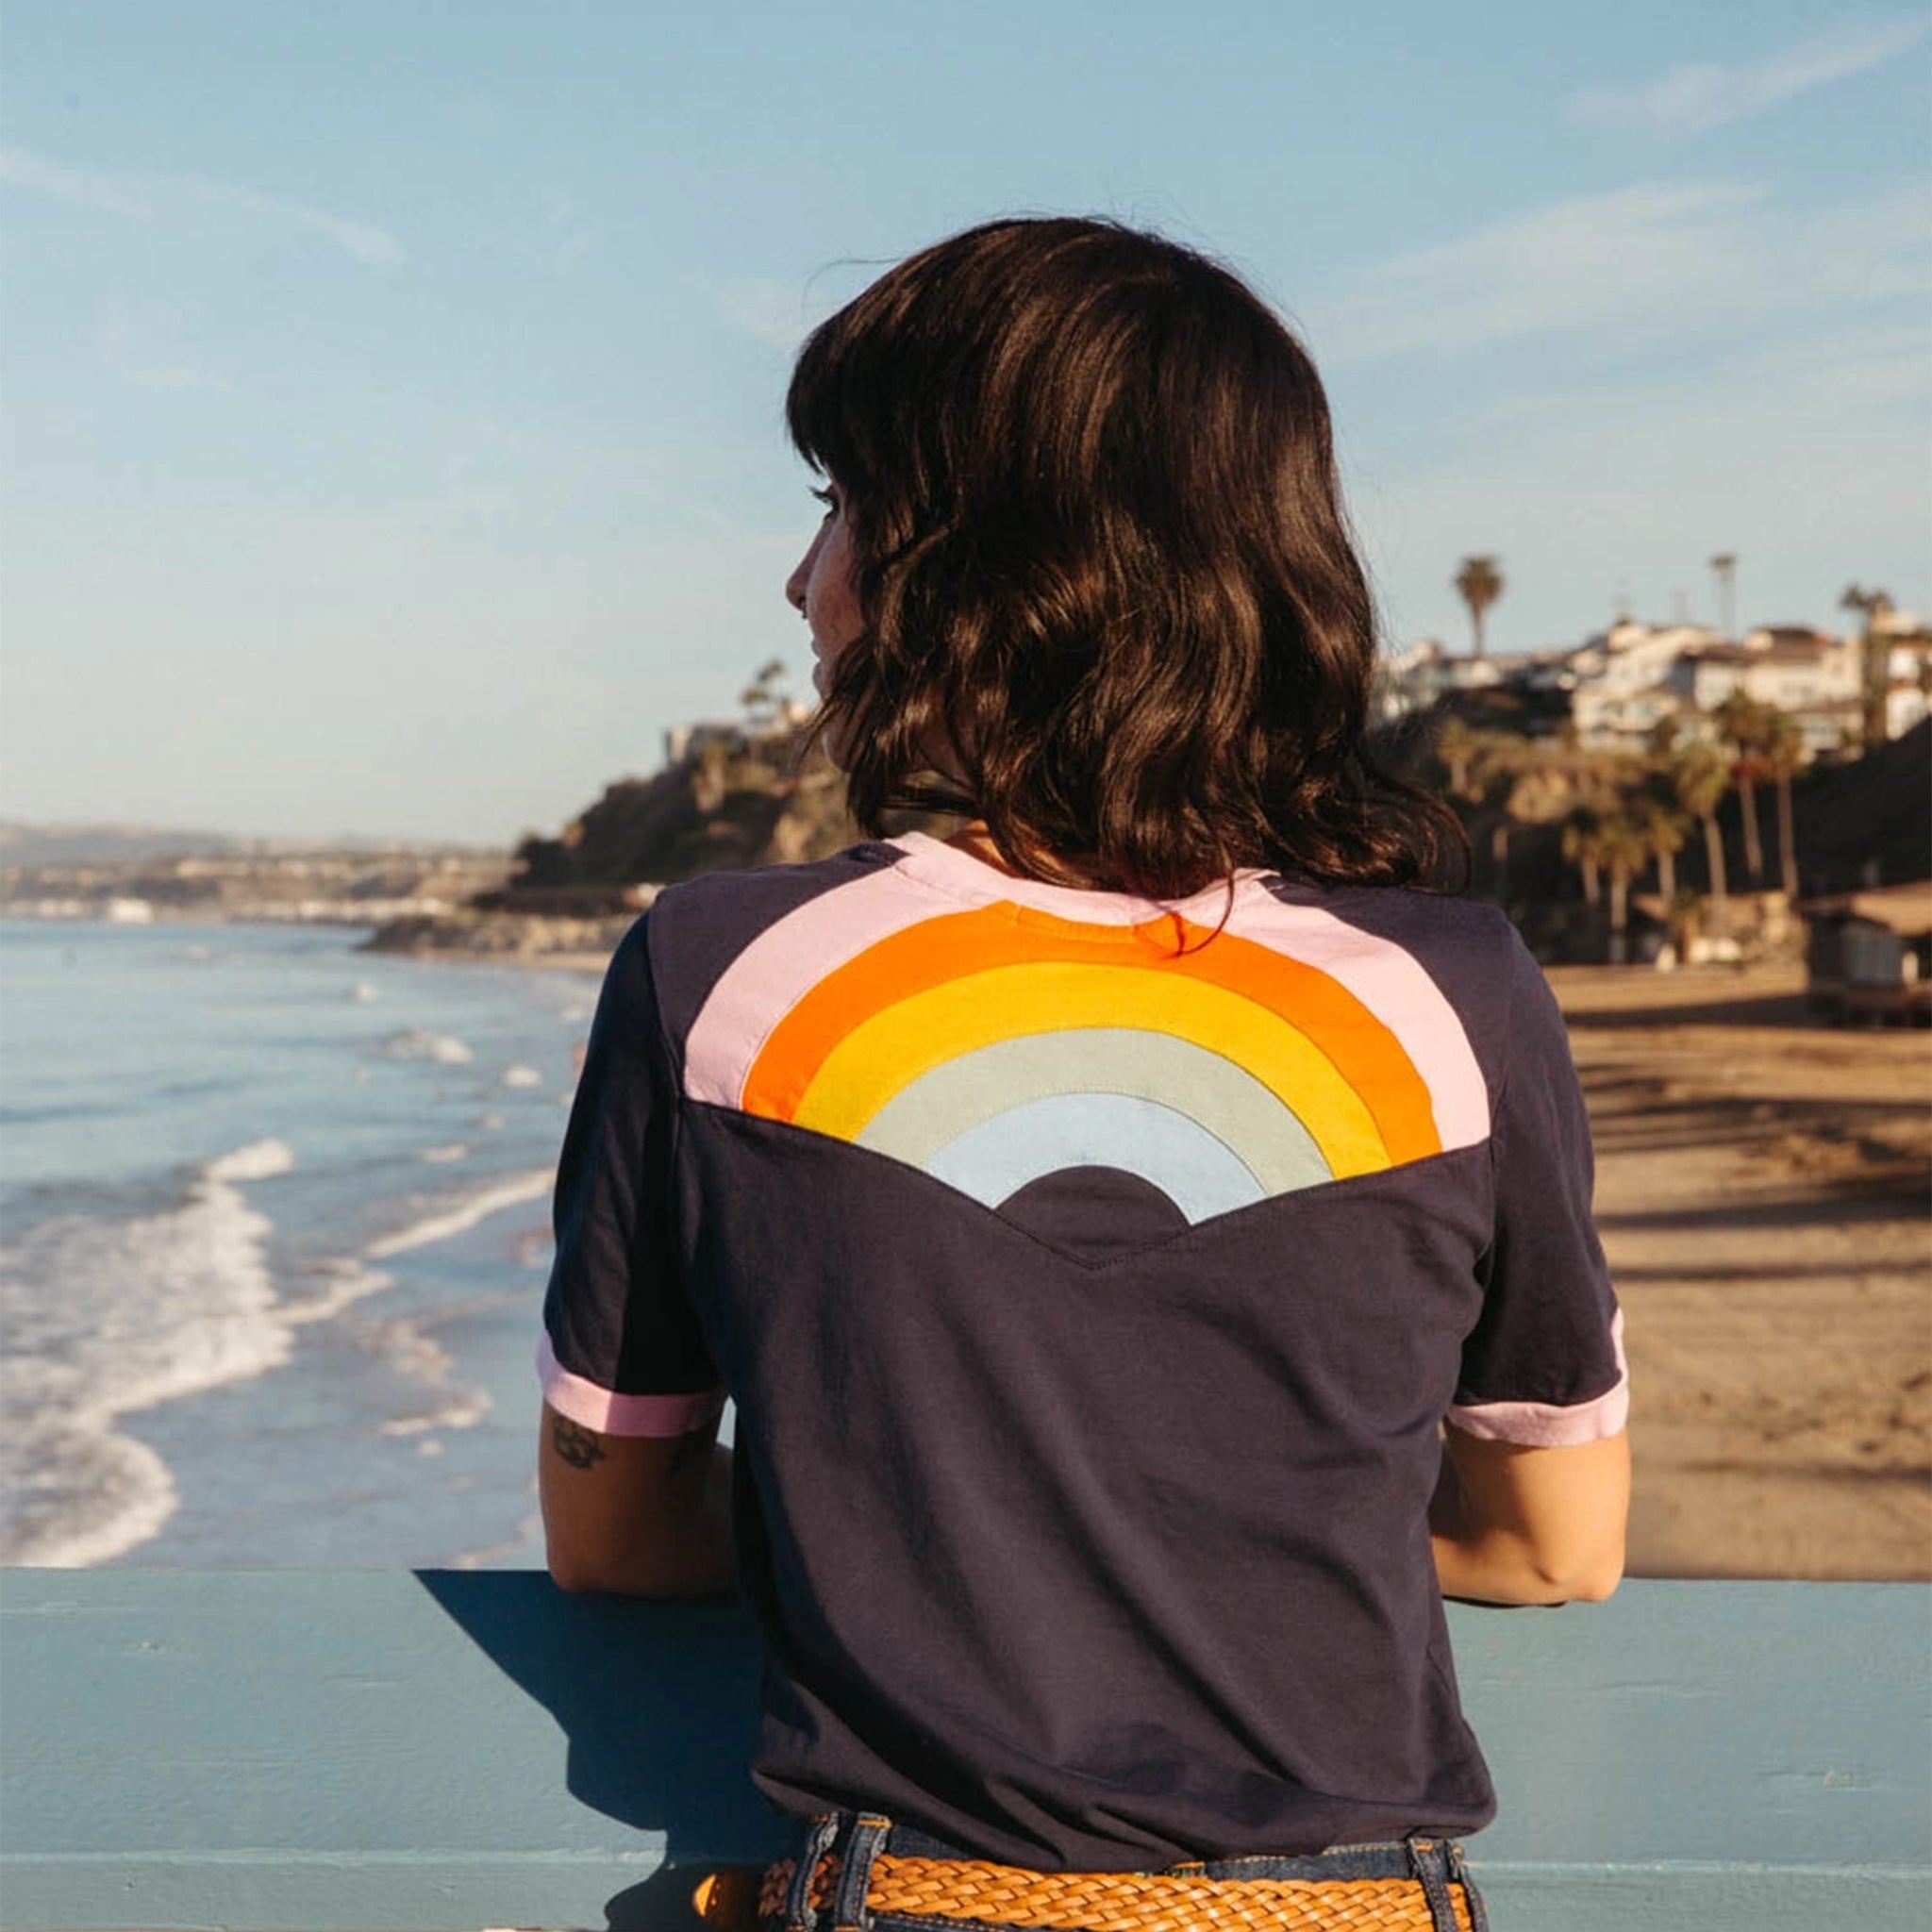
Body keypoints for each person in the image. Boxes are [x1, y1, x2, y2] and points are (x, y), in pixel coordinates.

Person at [537, 217, 1629, 1932]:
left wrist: (917, 1519)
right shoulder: (1450, 995)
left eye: (839, 505)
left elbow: (617, 1538)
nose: (803, 578)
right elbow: (1556, 1548)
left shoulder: (722, 970)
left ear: (979, 561)